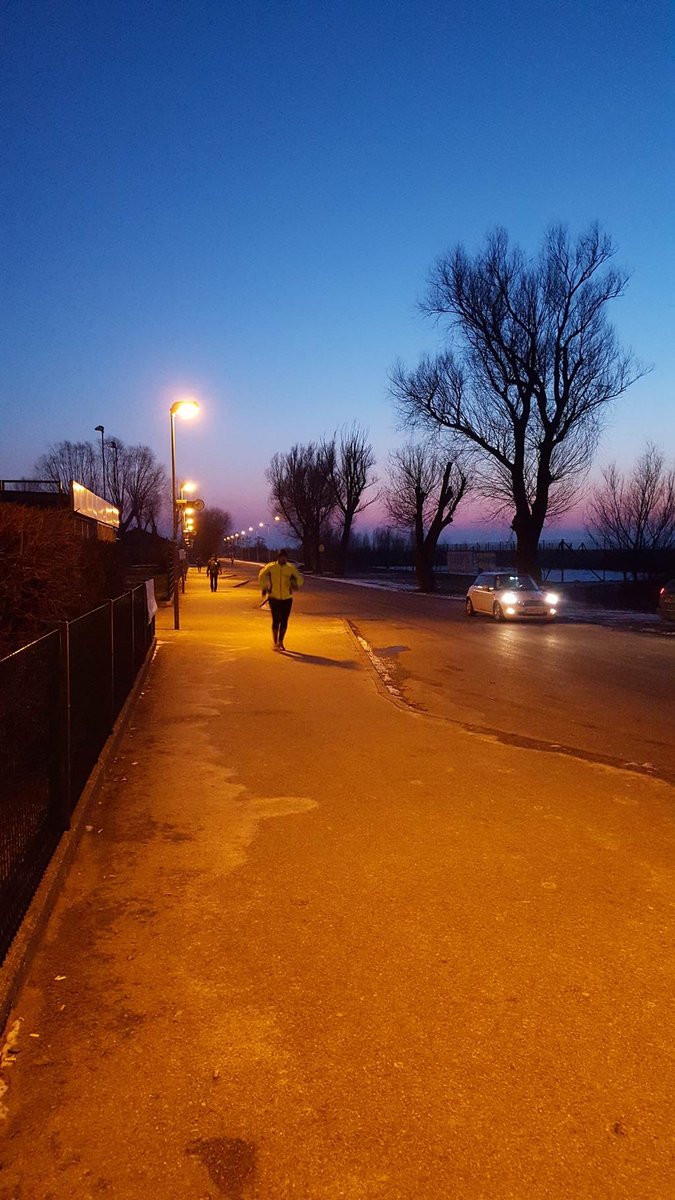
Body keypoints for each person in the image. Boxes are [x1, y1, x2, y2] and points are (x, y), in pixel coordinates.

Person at [258, 548, 303, 651]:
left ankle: (281, 642)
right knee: (276, 620)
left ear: (286, 558)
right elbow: (261, 575)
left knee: (284, 621)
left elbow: (299, 578)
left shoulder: (291, 568)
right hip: (274, 598)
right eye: (281, 557)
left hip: (287, 598)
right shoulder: (271, 567)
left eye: (285, 557)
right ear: (278, 557)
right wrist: (264, 587)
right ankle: (275, 642)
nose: (283, 559)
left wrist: (296, 583)